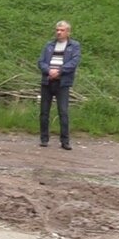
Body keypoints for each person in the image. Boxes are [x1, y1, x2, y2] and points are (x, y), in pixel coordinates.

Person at [38, 20, 81, 150]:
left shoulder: (74, 46)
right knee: (44, 112)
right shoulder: (49, 45)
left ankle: (65, 141)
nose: (59, 32)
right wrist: (48, 71)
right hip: (47, 81)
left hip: (62, 83)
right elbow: (41, 61)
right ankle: (44, 139)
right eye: (57, 30)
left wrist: (60, 71)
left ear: (68, 32)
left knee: (63, 111)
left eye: (62, 30)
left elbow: (74, 62)